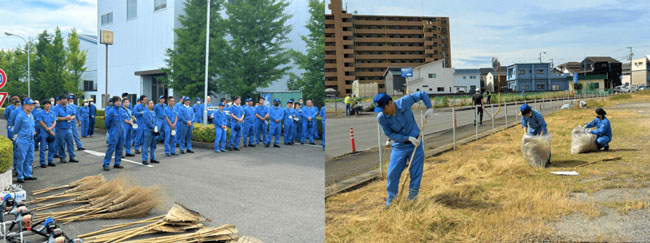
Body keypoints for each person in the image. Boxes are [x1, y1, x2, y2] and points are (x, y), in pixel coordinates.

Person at [373, 91, 433, 206]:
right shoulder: (381, 117)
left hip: (416, 143)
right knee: (392, 173)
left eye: (383, 108)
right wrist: (407, 138)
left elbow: (422, 94)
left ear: (390, 103)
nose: (383, 111)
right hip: (399, 146)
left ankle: (412, 199)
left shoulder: (404, 102)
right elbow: (390, 134)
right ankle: (391, 201)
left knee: (415, 173)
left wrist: (429, 107)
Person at [12, 98, 38, 183]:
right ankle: (20, 176)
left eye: (32, 105)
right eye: (30, 105)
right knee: (21, 158)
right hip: (23, 139)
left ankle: (28, 174)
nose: (32, 107)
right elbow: (16, 129)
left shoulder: (31, 115)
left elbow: (32, 126)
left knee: (29, 158)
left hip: (31, 139)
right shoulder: (20, 116)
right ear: (24, 106)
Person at [53, 95, 79, 163]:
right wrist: (65, 118)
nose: (64, 100)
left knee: (70, 143)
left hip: (68, 127)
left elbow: (74, 114)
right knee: (61, 143)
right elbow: (55, 117)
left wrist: (71, 118)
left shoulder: (69, 107)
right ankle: (62, 157)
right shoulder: (56, 108)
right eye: (62, 99)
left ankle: (72, 157)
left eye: (65, 99)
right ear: (60, 100)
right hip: (60, 128)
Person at [103, 96, 125, 171]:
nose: (119, 102)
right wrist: (111, 131)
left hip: (121, 132)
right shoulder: (111, 111)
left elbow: (124, 120)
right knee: (111, 149)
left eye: (120, 101)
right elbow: (107, 123)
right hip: (114, 132)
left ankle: (117, 163)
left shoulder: (122, 110)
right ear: (114, 102)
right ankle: (106, 164)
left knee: (120, 148)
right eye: (117, 101)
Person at [37, 99, 57, 167]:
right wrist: (48, 129)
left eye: (49, 104)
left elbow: (54, 121)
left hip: (52, 131)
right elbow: (41, 122)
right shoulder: (40, 113)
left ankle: (50, 160)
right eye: (46, 104)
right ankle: (42, 162)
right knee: (43, 147)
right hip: (44, 131)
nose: (48, 105)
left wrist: (51, 129)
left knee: (52, 147)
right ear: (43, 105)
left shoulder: (52, 113)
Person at [141, 100, 160, 165]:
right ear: (147, 105)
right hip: (148, 131)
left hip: (154, 131)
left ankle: (153, 158)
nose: (152, 104)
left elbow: (156, 120)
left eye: (152, 103)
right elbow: (147, 122)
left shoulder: (154, 112)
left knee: (153, 145)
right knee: (146, 145)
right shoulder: (145, 113)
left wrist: (156, 127)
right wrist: (153, 127)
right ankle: (144, 159)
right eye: (150, 103)